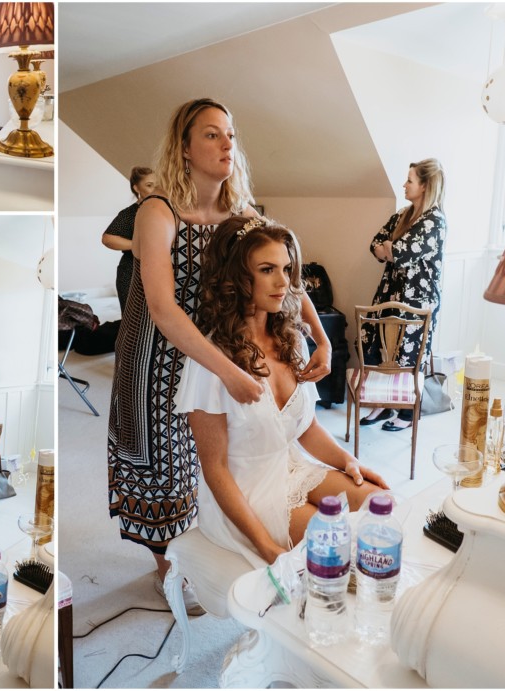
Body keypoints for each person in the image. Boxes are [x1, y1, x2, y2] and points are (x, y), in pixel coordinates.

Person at [107, 98, 332, 611]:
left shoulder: (241, 213)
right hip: (156, 361)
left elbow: (286, 273)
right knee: (164, 472)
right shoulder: (156, 212)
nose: (226, 143)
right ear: (184, 148)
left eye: (230, 134)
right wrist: (227, 370)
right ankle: (171, 569)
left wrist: (321, 336)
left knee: (216, 461)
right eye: (211, 134)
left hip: (219, 352)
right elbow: (162, 309)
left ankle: (217, 541)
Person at [175, 217, 388, 569]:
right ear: (237, 277)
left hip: (291, 467)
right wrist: (265, 546)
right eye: (267, 269)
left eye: (287, 269)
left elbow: (306, 428)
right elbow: (215, 469)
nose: (283, 282)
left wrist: (348, 461)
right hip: (246, 491)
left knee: (381, 506)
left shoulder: (291, 340)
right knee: (339, 546)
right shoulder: (210, 364)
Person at [359, 159, 447, 432]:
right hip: (389, 293)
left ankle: (409, 414)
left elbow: (402, 253)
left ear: (424, 186)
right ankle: (384, 403)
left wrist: (391, 249)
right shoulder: (403, 215)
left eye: (409, 180)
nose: (404, 185)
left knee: (410, 354)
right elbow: (376, 243)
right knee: (377, 346)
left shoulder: (435, 221)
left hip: (417, 301)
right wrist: (388, 248)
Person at [101, 166, 157, 312]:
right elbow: (108, 238)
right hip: (132, 275)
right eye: (149, 185)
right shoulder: (130, 213)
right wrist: (138, 245)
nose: (155, 189)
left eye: (157, 185)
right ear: (136, 188)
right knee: (133, 324)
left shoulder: (166, 210)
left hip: (156, 274)